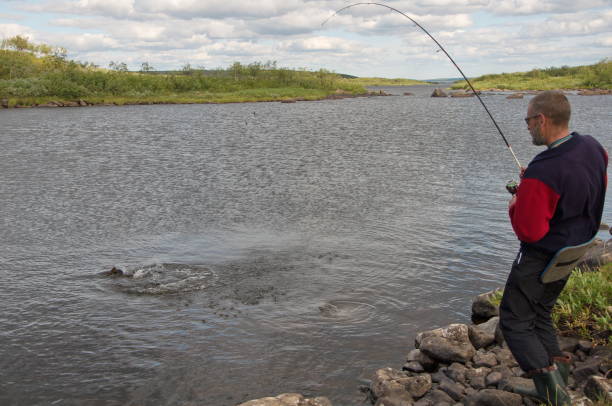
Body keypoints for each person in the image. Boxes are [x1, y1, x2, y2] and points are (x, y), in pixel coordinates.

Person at [499, 91, 608, 405]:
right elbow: (590, 177)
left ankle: (556, 397)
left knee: (515, 321)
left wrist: (518, 200)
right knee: (541, 314)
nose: (527, 127)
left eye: (528, 121)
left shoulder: (544, 169)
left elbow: (530, 232)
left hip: (542, 257)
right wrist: (533, 187)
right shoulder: (591, 146)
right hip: (575, 249)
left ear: (541, 120)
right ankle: (554, 384)